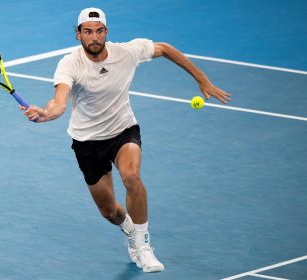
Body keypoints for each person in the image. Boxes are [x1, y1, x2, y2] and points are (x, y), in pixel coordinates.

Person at [21, 7, 231, 273]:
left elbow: (164, 48)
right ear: (78, 35)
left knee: (131, 176)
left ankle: (143, 246)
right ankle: (130, 230)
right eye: (87, 32)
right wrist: (49, 112)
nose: (94, 37)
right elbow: (59, 101)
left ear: (106, 32)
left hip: (123, 130)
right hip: (87, 141)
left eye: (99, 31)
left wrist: (201, 78)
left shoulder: (126, 52)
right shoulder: (69, 63)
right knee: (109, 212)